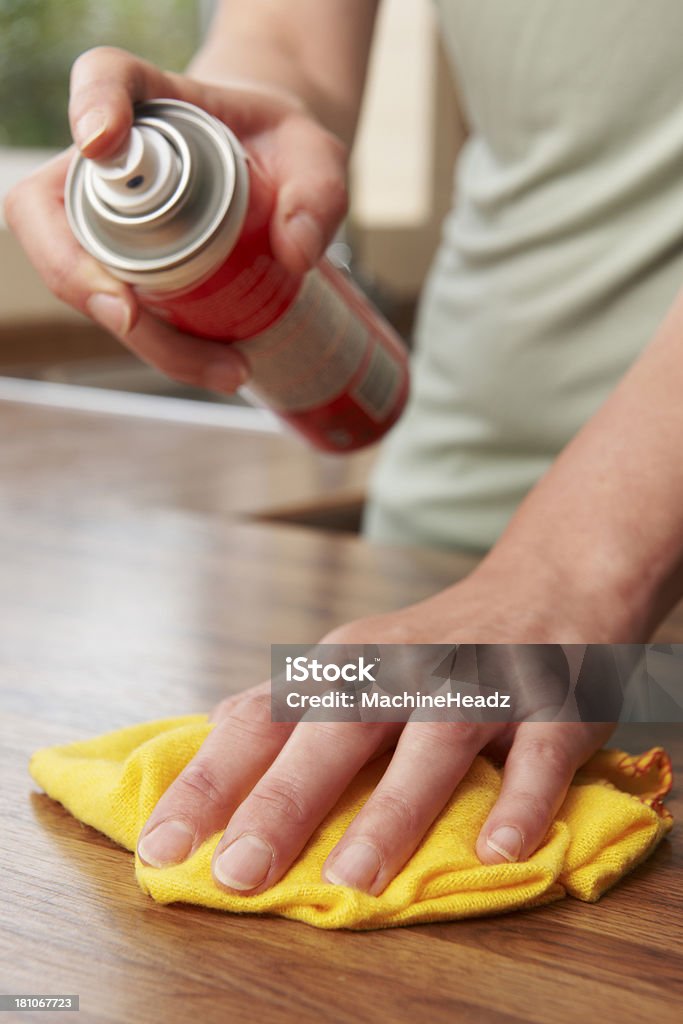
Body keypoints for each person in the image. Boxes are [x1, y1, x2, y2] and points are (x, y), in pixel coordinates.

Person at [5, 0, 680, 896]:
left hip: (600, 579)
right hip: (437, 549)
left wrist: (575, 571)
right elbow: (286, 38)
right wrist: (241, 128)